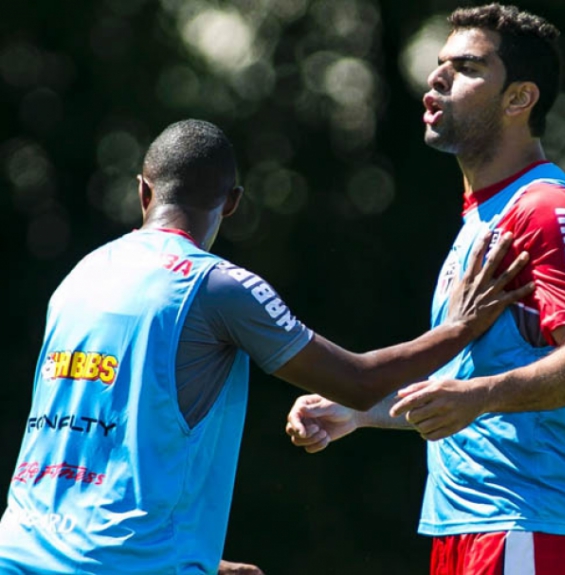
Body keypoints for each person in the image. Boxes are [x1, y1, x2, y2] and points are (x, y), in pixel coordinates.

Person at [0, 118, 534, 575]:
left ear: (144, 191)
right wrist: (460, 327)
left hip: (20, 551)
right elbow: (358, 380)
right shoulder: (215, 287)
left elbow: (82, 435)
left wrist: (196, 555)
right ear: (232, 203)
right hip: (129, 561)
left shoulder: (79, 278)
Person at [286, 3, 565, 574]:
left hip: (530, 526)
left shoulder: (546, 206)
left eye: (467, 68)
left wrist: (482, 396)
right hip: (470, 529)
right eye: (440, 63)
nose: (437, 77)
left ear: (520, 99)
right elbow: (461, 390)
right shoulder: (479, 219)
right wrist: (361, 411)